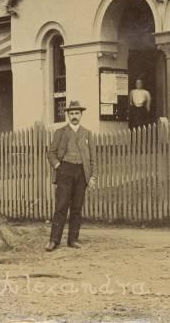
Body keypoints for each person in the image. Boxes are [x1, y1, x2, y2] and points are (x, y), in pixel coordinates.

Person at [45, 101, 97, 251]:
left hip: (81, 172)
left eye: (77, 113)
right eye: (72, 113)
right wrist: (58, 166)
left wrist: (92, 176)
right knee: (61, 206)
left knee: (77, 207)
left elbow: (93, 158)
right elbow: (51, 153)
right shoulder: (61, 132)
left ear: (81, 115)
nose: (74, 116)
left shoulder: (87, 133)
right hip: (65, 171)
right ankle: (54, 240)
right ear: (68, 115)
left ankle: (73, 239)